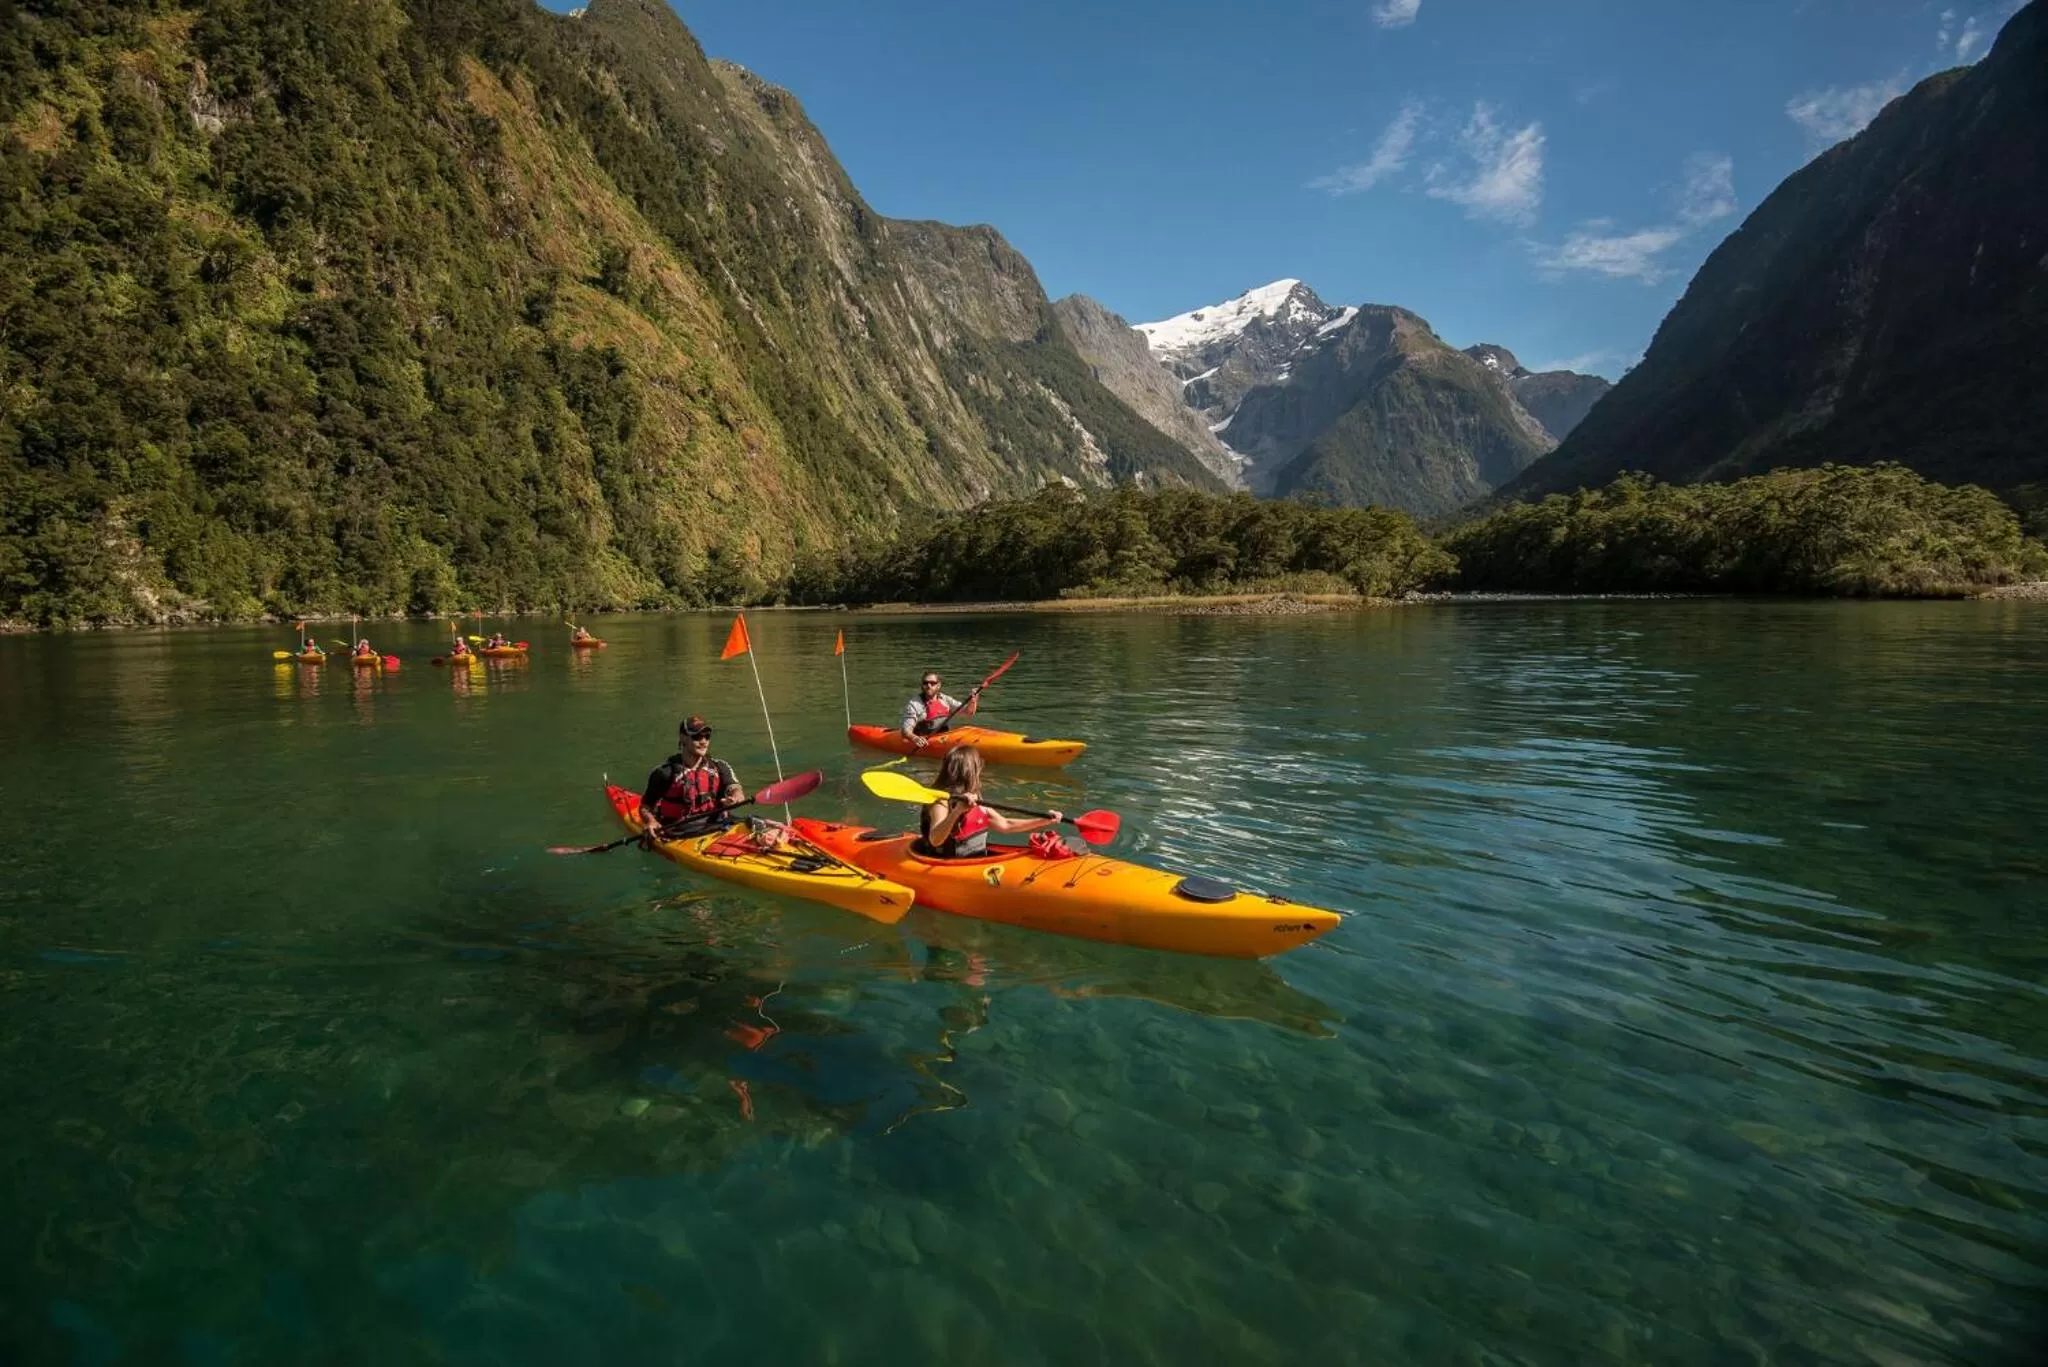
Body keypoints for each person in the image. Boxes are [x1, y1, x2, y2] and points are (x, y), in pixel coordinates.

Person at [918, 747, 1059, 858]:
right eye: (978, 763)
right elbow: (935, 840)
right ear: (969, 771)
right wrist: (957, 812)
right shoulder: (940, 802)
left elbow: (1005, 825)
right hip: (947, 865)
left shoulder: (975, 797)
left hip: (975, 860)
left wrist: (1045, 820)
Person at [640, 714, 745, 843]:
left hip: (718, 825)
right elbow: (645, 807)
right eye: (697, 736)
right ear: (683, 738)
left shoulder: (719, 766)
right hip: (680, 831)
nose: (703, 741)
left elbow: (735, 787)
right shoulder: (665, 773)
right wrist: (651, 821)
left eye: (707, 736)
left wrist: (736, 797)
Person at [900, 671, 982, 748]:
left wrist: (973, 701)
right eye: (926, 683)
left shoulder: (945, 699)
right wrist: (915, 738)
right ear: (922, 685)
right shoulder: (914, 704)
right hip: (923, 738)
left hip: (944, 736)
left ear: (939, 685)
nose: (929, 685)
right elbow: (906, 731)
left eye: (932, 683)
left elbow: (968, 712)